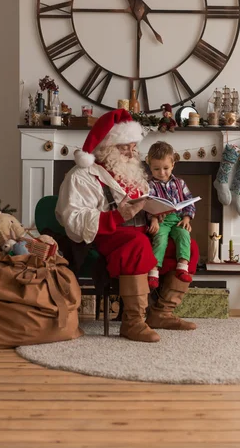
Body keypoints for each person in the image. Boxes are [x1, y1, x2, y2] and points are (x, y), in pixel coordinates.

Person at [55, 109, 198, 343]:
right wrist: (117, 216)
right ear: (106, 147)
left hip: (144, 229)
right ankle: (133, 322)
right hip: (105, 235)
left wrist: (157, 213)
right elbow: (73, 219)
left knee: (186, 244)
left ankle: (161, 312)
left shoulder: (131, 171)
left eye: (133, 147)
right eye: (125, 147)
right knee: (137, 244)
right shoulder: (81, 176)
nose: (132, 153)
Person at [146, 141, 195, 290]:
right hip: (161, 220)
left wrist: (187, 218)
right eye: (156, 169)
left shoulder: (180, 183)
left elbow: (189, 202)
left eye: (166, 168)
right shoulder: (150, 184)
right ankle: (154, 271)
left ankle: (182, 266)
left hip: (178, 219)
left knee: (184, 235)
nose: (161, 173)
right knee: (160, 238)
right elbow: (147, 204)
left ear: (173, 164)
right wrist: (153, 219)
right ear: (150, 166)